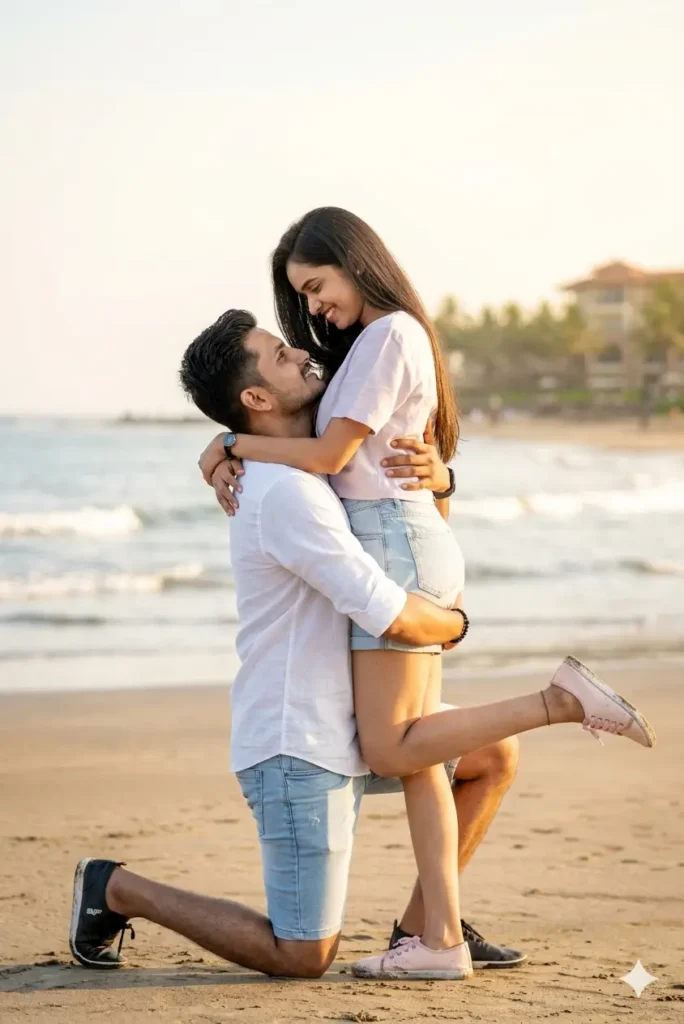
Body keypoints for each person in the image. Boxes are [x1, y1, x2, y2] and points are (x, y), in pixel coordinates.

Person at [195, 209, 650, 979]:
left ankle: (558, 701)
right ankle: (434, 934)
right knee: (419, 757)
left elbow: (336, 452)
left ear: (353, 262)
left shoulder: (386, 335)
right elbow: (400, 465)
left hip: (394, 545)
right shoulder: (378, 343)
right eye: (300, 298)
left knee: (393, 745)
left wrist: (232, 442)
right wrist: (229, 443)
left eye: (316, 286)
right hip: (406, 535)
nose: (311, 309)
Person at [69, 313, 522, 978]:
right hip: (299, 742)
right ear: (257, 398)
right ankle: (114, 888)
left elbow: (387, 478)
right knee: (303, 954)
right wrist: (456, 626)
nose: (302, 353)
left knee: (489, 759)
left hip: (358, 721)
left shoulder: (310, 460)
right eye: (280, 355)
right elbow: (387, 611)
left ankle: (426, 926)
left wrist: (440, 478)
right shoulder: (288, 496)